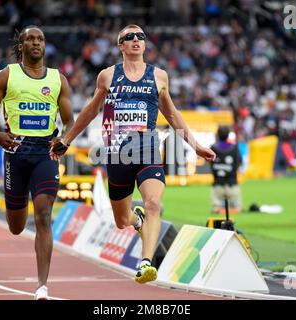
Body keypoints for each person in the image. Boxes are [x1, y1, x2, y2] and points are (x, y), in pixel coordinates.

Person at [50, 24, 216, 284]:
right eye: (129, 37)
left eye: (140, 36)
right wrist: (66, 139)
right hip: (118, 155)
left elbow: (171, 114)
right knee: (121, 220)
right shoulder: (107, 76)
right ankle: (135, 220)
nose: (136, 40)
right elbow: (92, 111)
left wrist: (195, 146)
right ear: (121, 46)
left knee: (153, 203)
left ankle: (146, 262)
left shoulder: (159, 76)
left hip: (148, 149)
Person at [0, 26, 74, 299]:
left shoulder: (58, 80)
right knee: (17, 226)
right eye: (30, 39)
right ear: (21, 46)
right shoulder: (7, 75)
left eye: (40, 39)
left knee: (44, 215)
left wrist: (65, 139)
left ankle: (42, 285)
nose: (35, 43)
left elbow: (69, 121)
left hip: (46, 153)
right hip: (16, 154)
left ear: (45, 45)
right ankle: (17, 218)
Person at [210, 126, 242, 214]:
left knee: (216, 210)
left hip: (218, 183)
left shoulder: (213, 147)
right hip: (232, 183)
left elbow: (211, 162)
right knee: (236, 209)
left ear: (218, 135)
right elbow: (239, 161)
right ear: (228, 135)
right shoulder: (234, 147)